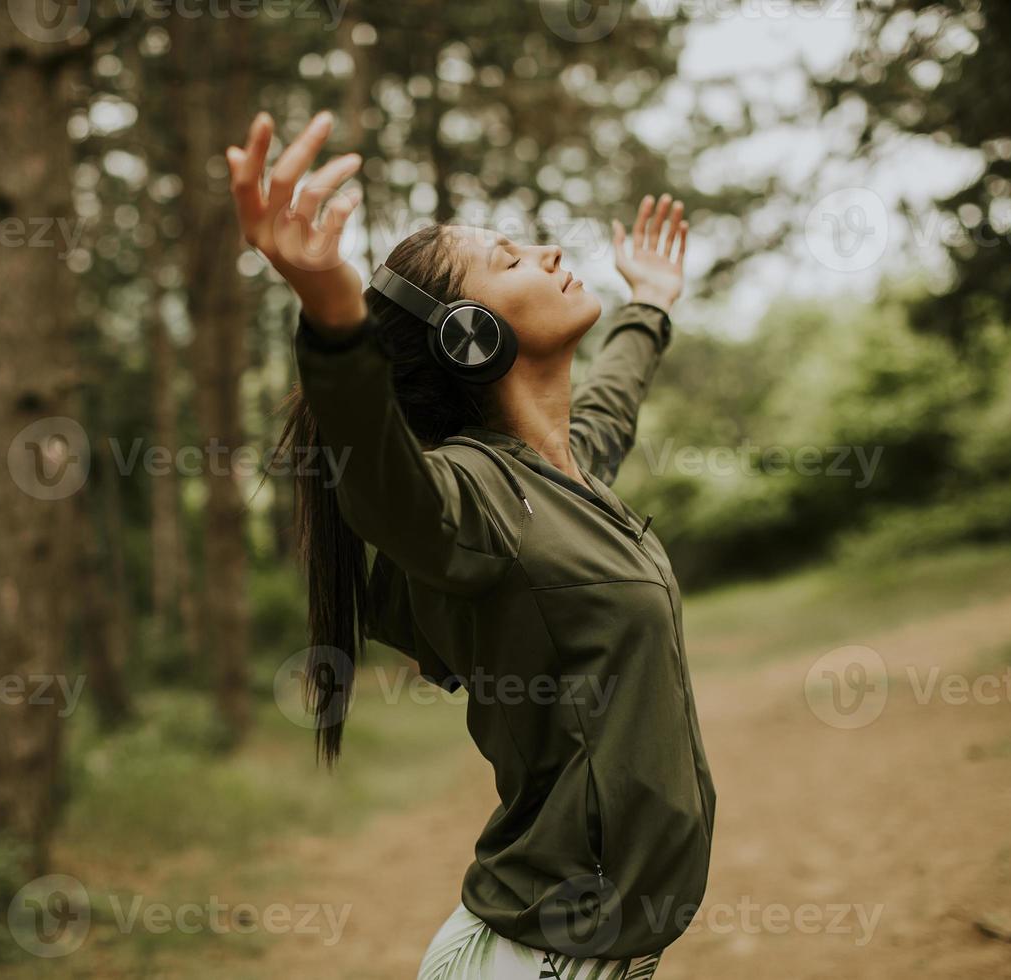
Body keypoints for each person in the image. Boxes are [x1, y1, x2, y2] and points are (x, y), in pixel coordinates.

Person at [227, 109, 716, 980]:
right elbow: (379, 479)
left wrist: (649, 302)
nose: (551, 254)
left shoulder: (566, 481)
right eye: (510, 260)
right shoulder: (469, 499)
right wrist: (333, 314)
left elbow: (608, 404)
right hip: (539, 959)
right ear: (467, 335)